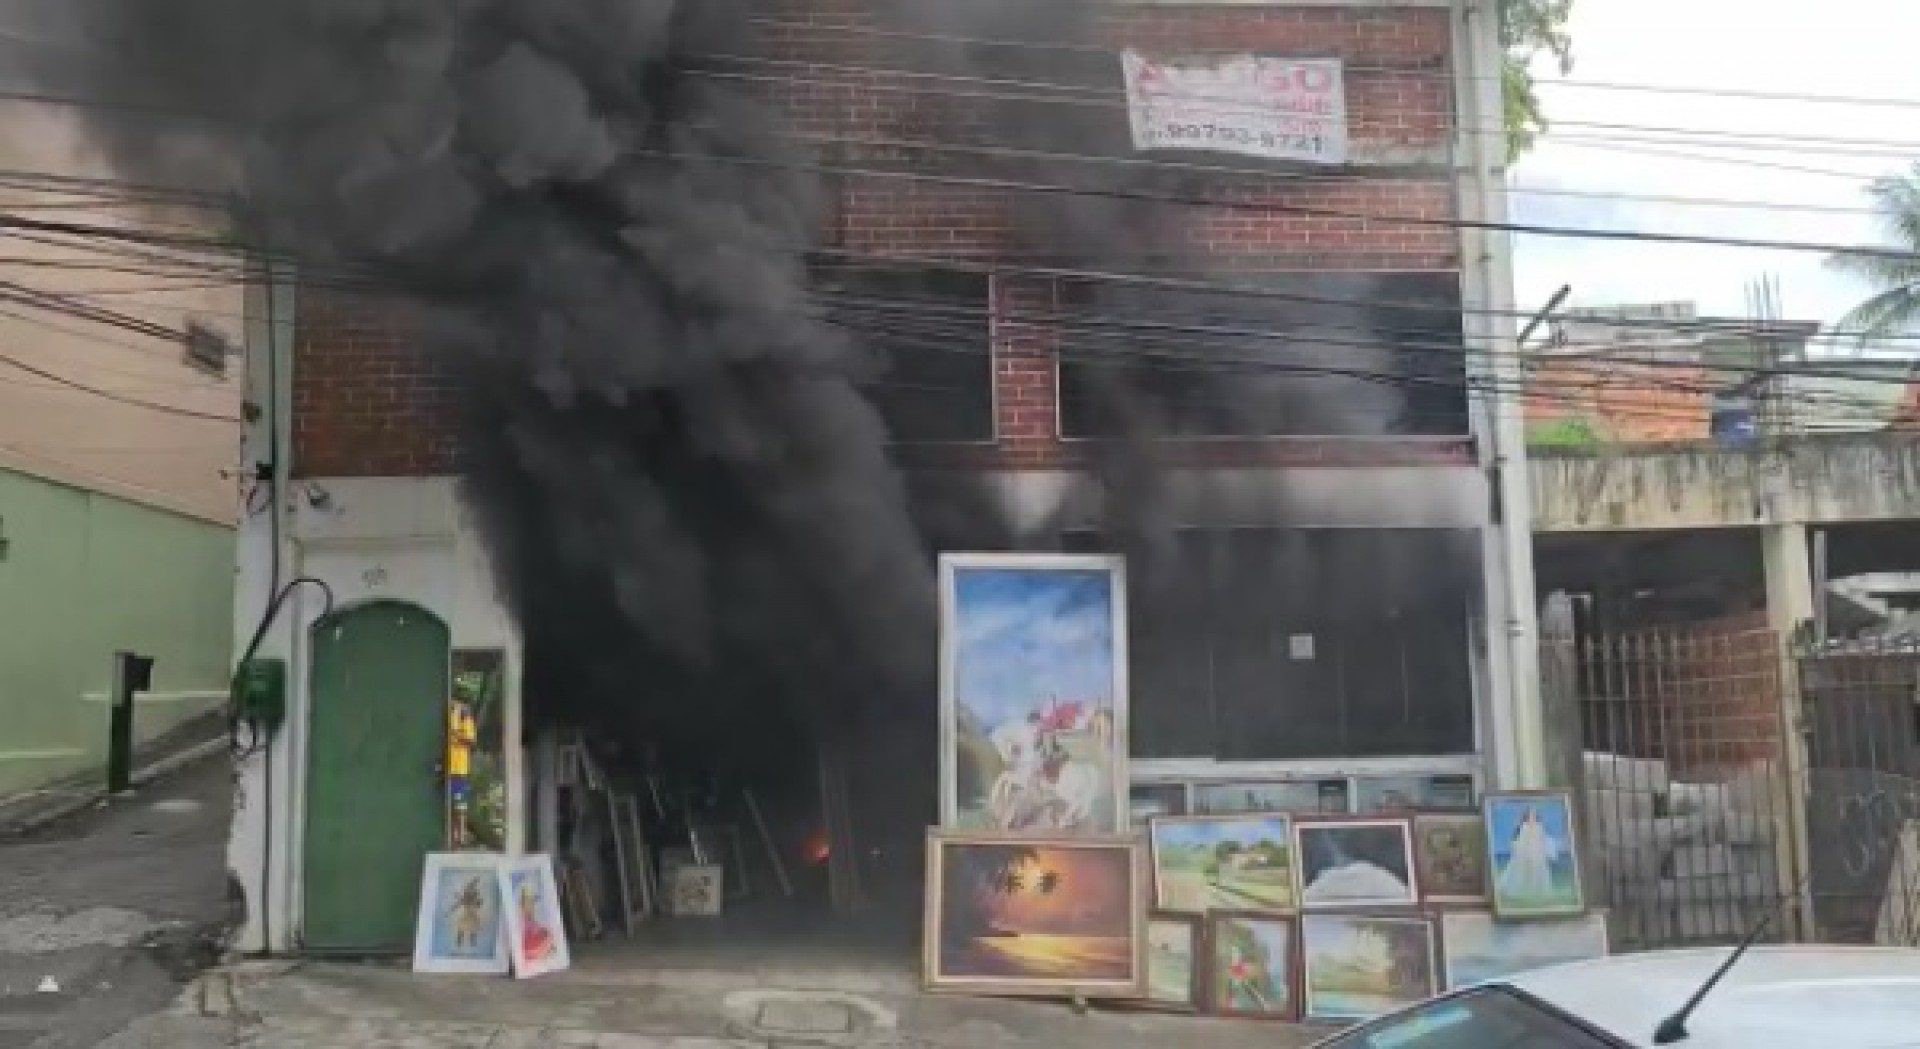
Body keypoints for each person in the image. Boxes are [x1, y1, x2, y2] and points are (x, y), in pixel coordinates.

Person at [1497, 805, 1560, 901]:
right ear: (1527, 816)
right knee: (1521, 872)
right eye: (1531, 814)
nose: (1532, 817)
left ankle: (1536, 893)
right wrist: (1518, 849)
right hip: (1525, 854)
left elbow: (1543, 839)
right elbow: (1516, 840)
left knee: (1537, 872)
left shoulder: (1539, 826)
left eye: (1534, 815)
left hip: (1537, 854)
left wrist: (1546, 851)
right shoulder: (1523, 826)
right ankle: (1519, 891)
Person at [447, 697, 478, 848]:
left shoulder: (464, 715)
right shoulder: (444, 714)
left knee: (460, 804)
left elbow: (471, 741)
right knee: (449, 805)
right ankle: (452, 838)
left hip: (458, 769)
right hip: (445, 769)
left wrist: (455, 734)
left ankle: (461, 835)